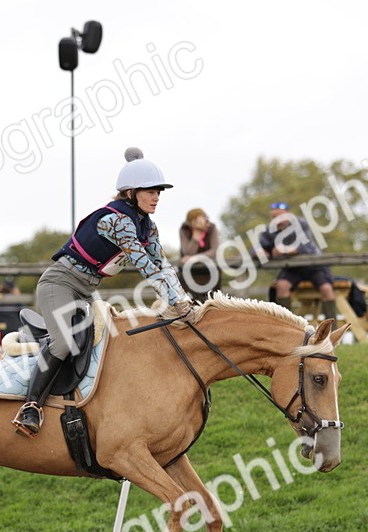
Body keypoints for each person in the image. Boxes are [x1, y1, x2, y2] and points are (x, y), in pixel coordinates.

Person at [12, 147, 196, 438]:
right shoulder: (118, 221)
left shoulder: (149, 227)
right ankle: (30, 407)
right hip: (60, 284)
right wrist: (177, 304)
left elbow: (163, 265)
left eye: (159, 191)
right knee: (62, 344)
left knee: (109, 340)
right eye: (150, 191)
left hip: (86, 291)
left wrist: (183, 300)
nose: (156, 197)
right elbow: (146, 267)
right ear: (131, 192)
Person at [259, 202, 337, 321]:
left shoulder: (302, 224)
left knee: (326, 289)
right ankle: (285, 326)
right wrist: (261, 252)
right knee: (281, 286)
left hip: (314, 267)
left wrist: (284, 250)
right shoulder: (270, 230)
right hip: (292, 269)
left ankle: (332, 330)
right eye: (274, 217)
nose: (277, 221)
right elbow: (256, 247)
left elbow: (304, 248)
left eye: (280, 217)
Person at [178, 208, 220, 291]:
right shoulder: (184, 229)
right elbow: (187, 252)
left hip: (210, 271)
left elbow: (214, 252)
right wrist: (196, 234)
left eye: (206, 219)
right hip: (189, 273)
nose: (206, 223)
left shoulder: (212, 228)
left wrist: (194, 258)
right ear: (192, 223)